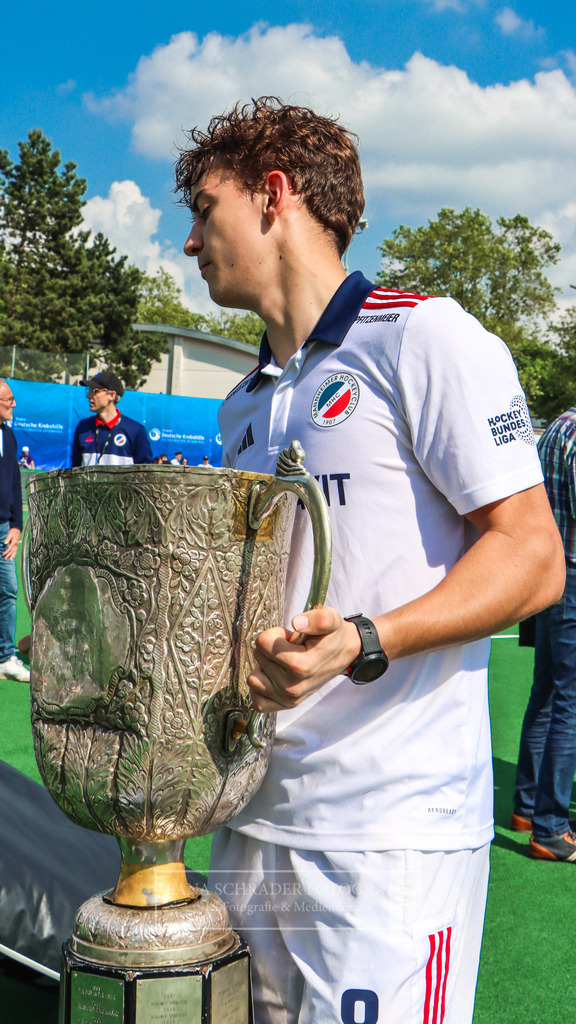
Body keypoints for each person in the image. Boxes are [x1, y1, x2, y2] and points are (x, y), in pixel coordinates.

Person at [176, 97, 564, 1024]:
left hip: (390, 833)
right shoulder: (245, 403)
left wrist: (363, 638)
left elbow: (535, 554)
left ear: (273, 195)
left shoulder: (422, 338)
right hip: (253, 821)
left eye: (203, 208)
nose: (191, 241)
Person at [511, 408, 576, 861]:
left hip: (549, 575)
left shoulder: (557, 425)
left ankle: (527, 807)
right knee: (569, 704)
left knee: (547, 693)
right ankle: (551, 827)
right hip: (572, 573)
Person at [0, 379, 30, 683]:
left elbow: (12, 482)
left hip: (3, 530)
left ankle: (6, 657)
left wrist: (16, 525)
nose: (14, 404)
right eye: (9, 399)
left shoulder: (8, 436)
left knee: (8, 590)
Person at [72, 370, 153, 467]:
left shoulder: (135, 430)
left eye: (95, 391)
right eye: (89, 390)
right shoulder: (83, 427)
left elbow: (145, 471)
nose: (88, 395)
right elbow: (75, 467)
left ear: (112, 395)